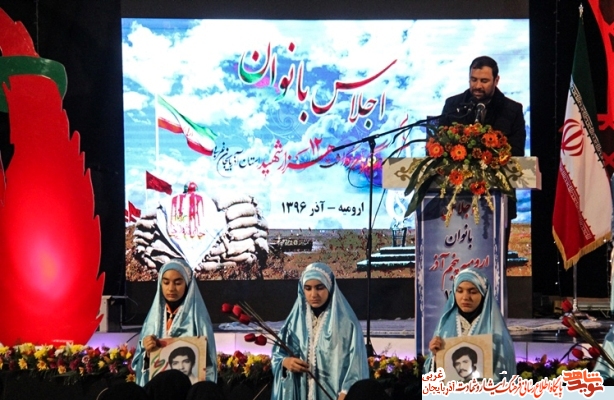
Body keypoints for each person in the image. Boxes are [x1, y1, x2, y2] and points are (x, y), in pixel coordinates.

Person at [438, 56, 526, 226]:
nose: (477, 86)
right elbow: (439, 146)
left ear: (496, 80)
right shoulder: (453, 105)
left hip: (499, 201)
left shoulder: (512, 110)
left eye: (484, 81)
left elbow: (517, 152)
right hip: (455, 201)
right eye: (473, 80)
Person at [271, 262, 369, 400]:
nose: (313, 294)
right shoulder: (293, 323)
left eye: (319, 287)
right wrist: (285, 362)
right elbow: (277, 355)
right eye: (308, 288)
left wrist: (346, 393)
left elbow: (357, 366)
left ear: (330, 287)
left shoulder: (347, 324)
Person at [132, 258, 217, 386]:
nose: (171, 288)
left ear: (187, 284)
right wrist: (147, 353)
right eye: (166, 282)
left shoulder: (198, 320)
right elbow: (139, 365)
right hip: (158, 389)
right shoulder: (152, 321)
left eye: (178, 283)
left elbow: (209, 365)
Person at [424, 268, 515, 382]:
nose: (465, 297)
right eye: (459, 291)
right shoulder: (444, 327)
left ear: (483, 294)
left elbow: (506, 373)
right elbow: (431, 375)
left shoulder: (496, 330)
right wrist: (435, 357)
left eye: (472, 292)